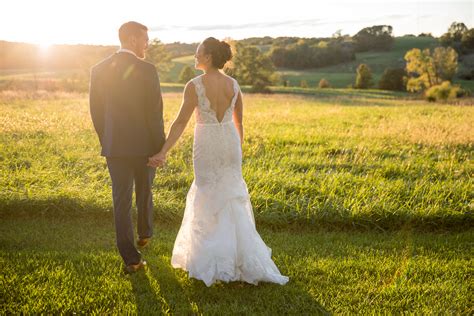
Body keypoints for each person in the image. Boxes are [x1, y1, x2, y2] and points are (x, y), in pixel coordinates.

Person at [148, 37, 289, 286]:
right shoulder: (233, 85)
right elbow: (239, 123)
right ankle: (235, 258)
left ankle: (212, 260)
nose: (194, 55)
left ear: (209, 57)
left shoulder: (194, 85)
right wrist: (237, 149)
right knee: (230, 196)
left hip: (207, 143)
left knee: (207, 194)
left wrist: (163, 151)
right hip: (230, 143)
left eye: (198, 51)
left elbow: (180, 122)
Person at [89, 21, 166, 273]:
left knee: (121, 200)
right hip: (145, 145)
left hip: (115, 146)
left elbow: (96, 112)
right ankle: (145, 233)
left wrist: (108, 138)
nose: (147, 44)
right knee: (145, 190)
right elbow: (155, 113)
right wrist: (159, 148)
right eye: (145, 39)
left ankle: (131, 257)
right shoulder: (147, 69)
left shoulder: (98, 69)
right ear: (133, 40)